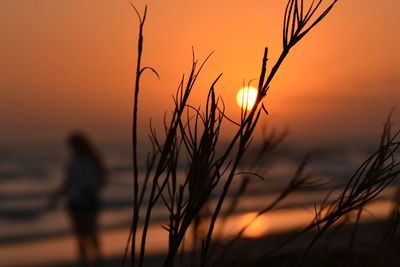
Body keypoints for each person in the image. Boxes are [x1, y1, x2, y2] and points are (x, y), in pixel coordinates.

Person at [49, 132, 106, 267]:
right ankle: (84, 260)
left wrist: (90, 189)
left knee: (91, 231)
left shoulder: (93, 159)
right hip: (74, 200)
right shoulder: (73, 161)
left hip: (88, 200)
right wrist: (57, 196)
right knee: (79, 233)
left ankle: (98, 259)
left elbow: (102, 179)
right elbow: (68, 182)